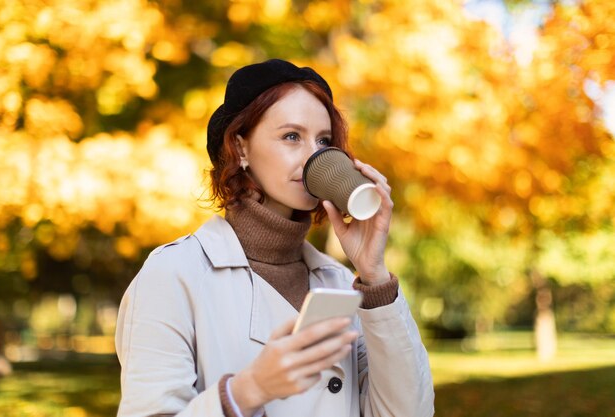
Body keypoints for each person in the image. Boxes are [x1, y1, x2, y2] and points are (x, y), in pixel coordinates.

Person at [115, 59, 434, 417]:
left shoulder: (342, 282)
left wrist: (374, 275)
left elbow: (409, 412)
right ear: (240, 148)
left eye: (324, 140)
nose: (315, 155)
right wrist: (249, 391)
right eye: (291, 136)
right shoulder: (174, 274)